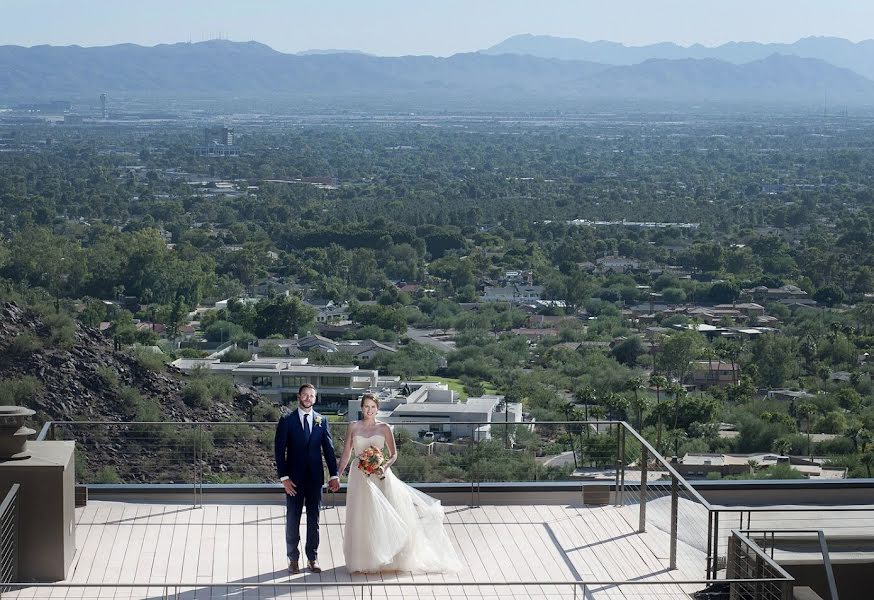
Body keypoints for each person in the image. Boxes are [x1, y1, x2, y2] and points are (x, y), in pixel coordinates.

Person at [337, 393, 462, 574]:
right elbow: (347, 453)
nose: (369, 410)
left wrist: (384, 466)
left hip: (380, 475)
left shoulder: (385, 427)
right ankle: (364, 558)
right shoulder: (353, 426)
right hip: (359, 476)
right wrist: (337, 474)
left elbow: (393, 454)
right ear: (361, 408)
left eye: (373, 406)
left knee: (383, 517)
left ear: (377, 408)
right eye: (366, 406)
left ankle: (386, 558)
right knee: (361, 515)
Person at [274, 383, 340, 574]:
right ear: (299, 396)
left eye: (312, 396)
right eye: (305, 395)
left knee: (314, 520)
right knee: (292, 519)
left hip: (315, 480)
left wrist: (334, 474)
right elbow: (279, 451)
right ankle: (293, 559)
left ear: (315, 398)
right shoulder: (287, 420)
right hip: (293, 480)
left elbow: (328, 450)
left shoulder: (322, 420)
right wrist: (284, 477)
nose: (308, 398)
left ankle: (312, 558)